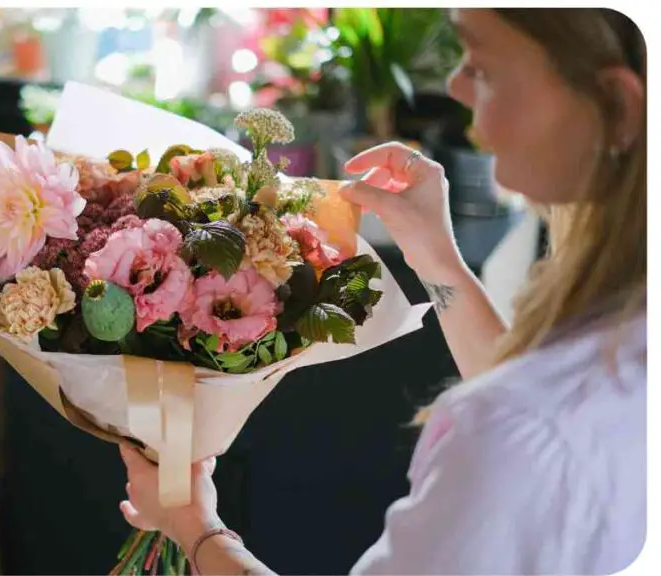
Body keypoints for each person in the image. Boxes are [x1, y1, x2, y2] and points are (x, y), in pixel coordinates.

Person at [117, 8, 646, 575]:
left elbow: (527, 419)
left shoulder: (512, 434)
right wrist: (434, 253)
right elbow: (530, 387)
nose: (456, 85)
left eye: (485, 68)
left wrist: (195, 528)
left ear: (616, 104)